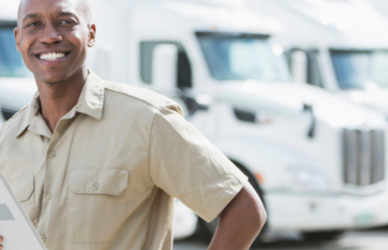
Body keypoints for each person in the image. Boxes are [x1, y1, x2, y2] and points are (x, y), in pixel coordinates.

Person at [0, 0, 267, 249]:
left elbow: (244, 210)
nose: (49, 36)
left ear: (91, 34)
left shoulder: (147, 120)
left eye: (65, 22)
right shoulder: (6, 139)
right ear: (18, 40)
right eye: (34, 24)